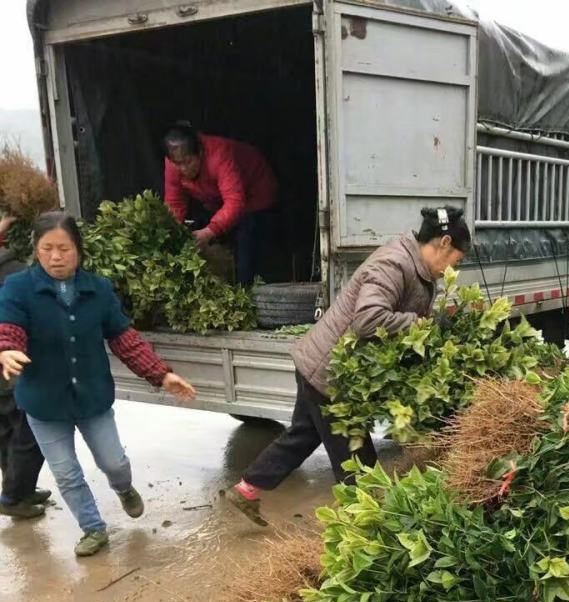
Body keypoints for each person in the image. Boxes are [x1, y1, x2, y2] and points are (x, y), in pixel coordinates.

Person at [225, 206, 472, 526]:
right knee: (361, 469)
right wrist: (420, 323)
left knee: (302, 435)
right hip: (330, 374)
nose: (454, 268)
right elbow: (367, 320)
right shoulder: (394, 264)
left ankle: (246, 489)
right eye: (457, 259)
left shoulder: (417, 267)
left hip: (320, 363)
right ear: (444, 242)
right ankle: (369, 532)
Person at [0, 211, 196, 557]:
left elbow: (123, 337)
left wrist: (161, 373)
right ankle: (93, 528)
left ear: (79, 250)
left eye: (64, 248)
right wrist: (7, 350)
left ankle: (124, 489)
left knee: (114, 462)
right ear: (36, 249)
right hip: (44, 405)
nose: (56, 257)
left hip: (92, 397)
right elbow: (9, 327)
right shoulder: (18, 288)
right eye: (47, 249)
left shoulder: (99, 289)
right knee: (66, 474)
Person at [162, 122, 279, 286]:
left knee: (247, 242)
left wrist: (209, 232)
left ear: (200, 153)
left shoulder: (219, 154)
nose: (182, 169)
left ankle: (244, 291)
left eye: (187, 162)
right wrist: (170, 233)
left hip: (255, 193)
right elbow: (174, 203)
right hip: (216, 199)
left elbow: (234, 201)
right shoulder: (173, 163)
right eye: (177, 163)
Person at [0, 213, 50, 520]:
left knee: (6, 428)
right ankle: (13, 495)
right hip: (8, 363)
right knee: (30, 428)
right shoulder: (13, 270)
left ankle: (16, 488)